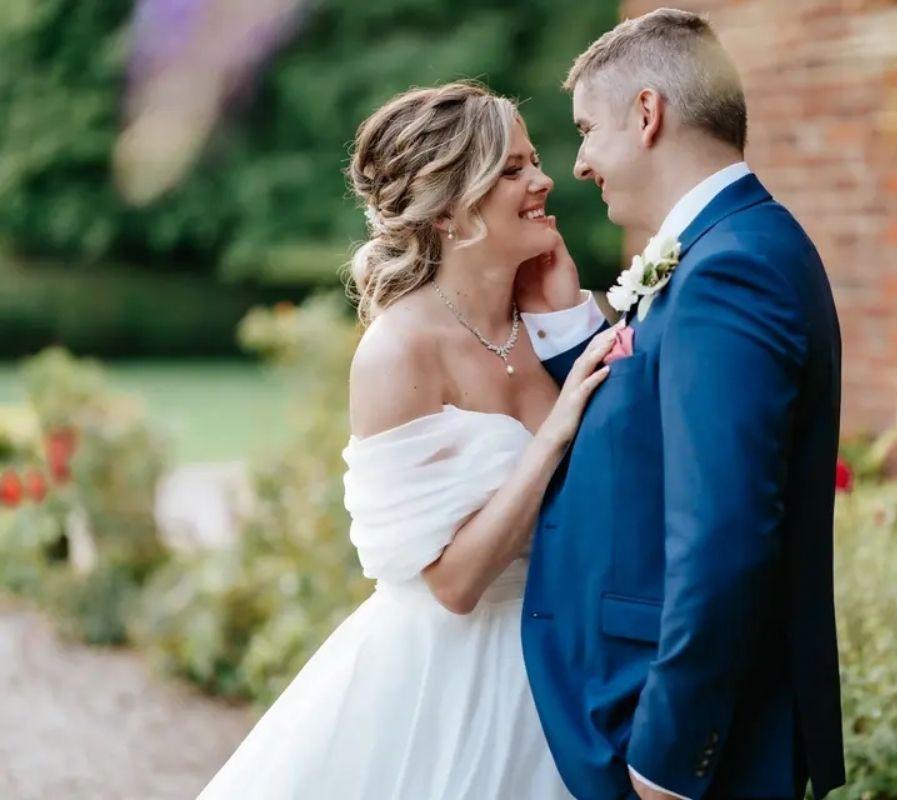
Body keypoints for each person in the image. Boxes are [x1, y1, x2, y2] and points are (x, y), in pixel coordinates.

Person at [196, 80, 611, 800]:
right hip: (448, 683)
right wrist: (552, 439)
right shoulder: (400, 352)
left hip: (565, 658)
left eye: (534, 159)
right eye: (512, 169)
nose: (545, 179)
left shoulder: (553, 317)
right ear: (450, 207)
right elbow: (451, 584)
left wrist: (570, 321)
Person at [519, 9, 847, 800]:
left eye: (587, 130)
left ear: (645, 113)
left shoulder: (732, 270)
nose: (582, 162)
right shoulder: (717, 252)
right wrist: (571, 331)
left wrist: (668, 755)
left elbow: (724, 532)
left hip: (690, 749)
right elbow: (646, 436)